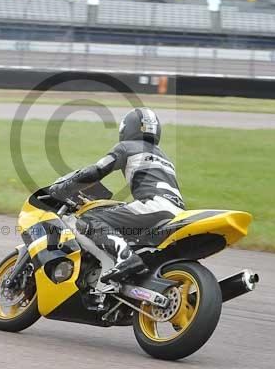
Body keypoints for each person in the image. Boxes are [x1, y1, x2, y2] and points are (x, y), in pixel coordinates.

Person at [49, 107, 184, 283]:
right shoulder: (164, 157)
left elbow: (95, 171)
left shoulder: (127, 147)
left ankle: (124, 257)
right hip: (178, 212)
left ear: (128, 127)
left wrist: (64, 187)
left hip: (153, 206)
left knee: (87, 220)